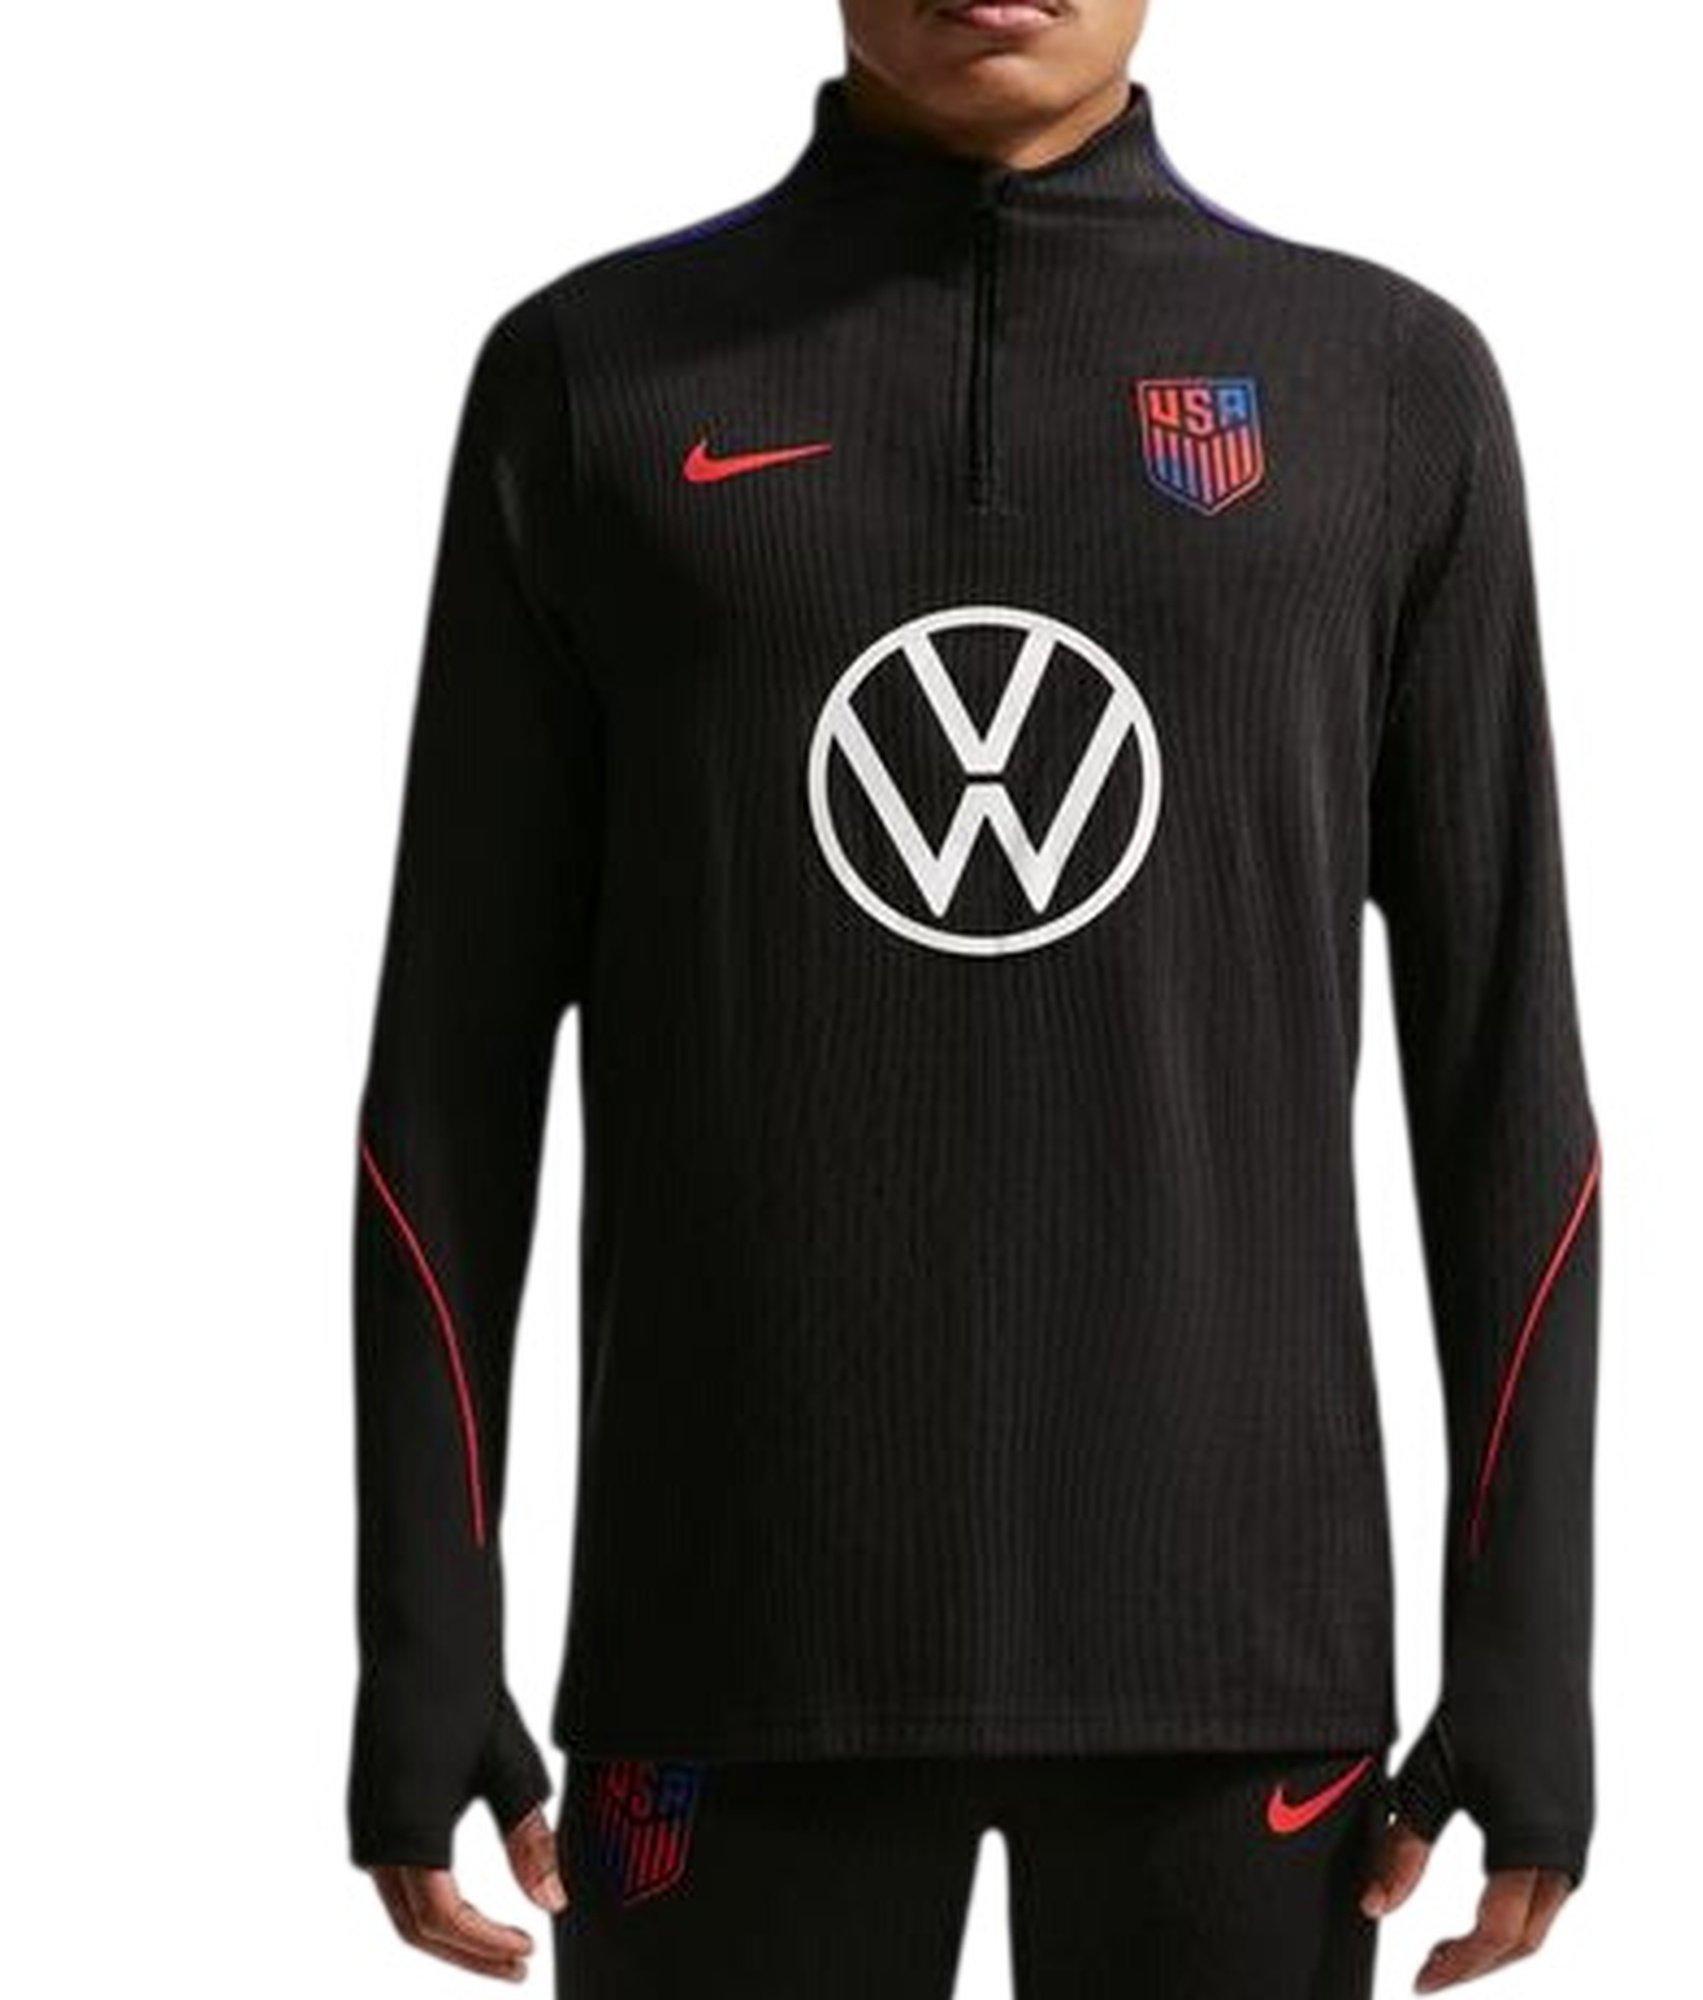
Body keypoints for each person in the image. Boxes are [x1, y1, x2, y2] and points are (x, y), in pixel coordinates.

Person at [345, 2, 1603, 1993]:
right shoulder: (594, 380)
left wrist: (1526, 1655)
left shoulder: (1381, 387)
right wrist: (426, 1637)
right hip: (725, 1647)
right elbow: (449, 1070)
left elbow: (1501, 1064)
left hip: (1237, 1670)